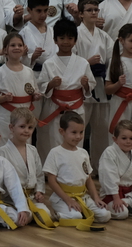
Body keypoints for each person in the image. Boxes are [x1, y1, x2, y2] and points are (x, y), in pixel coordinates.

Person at [37, 18, 93, 162]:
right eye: (61, 38)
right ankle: (54, 171)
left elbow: (90, 88)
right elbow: (42, 87)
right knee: (54, 141)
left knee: (76, 140)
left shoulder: (83, 63)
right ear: (55, 40)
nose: (66, 42)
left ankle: (76, 170)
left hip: (76, 107)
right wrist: (51, 84)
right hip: (55, 106)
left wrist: (86, 85)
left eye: (70, 38)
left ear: (75, 40)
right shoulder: (49, 63)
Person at [43, 112, 108, 230]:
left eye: (81, 132)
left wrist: (96, 198)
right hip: (63, 197)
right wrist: (68, 200)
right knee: (75, 217)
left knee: (105, 215)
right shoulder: (55, 153)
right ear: (62, 132)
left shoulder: (83, 153)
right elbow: (51, 181)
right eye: (74, 132)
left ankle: (78, 211)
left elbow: (88, 179)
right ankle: (58, 215)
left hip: (83, 196)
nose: (78, 136)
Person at [0, 107, 56, 229]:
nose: (26, 131)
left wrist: (39, 191)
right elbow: (0, 180)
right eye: (22, 126)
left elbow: (39, 175)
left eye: (30, 127)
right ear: (11, 127)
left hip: (31, 198)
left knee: (47, 216)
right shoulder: (2, 152)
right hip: (11, 199)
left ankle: (28, 214)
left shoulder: (32, 150)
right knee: (17, 219)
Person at [73, 0, 113, 168]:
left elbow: (112, 60)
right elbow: (71, 60)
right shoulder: (76, 34)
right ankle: (77, 165)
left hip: (101, 85)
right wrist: (87, 62)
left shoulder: (104, 36)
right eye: (89, 10)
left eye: (96, 10)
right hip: (82, 84)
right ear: (81, 14)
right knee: (79, 127)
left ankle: (99, 166)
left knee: (102, 128)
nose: (94, 13)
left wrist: (109, 79)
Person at [0, 32, 41, 143]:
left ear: (24, 48)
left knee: (24, 144)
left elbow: (33, 92)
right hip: (7, 116)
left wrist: (36, 96)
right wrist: (4, 98)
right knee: (5, 144)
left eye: (20, 45)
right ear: (5, 50)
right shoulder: (0, 72)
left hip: (25, 116)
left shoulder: (29, 71)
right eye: (13, 45)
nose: (17, 48)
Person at [19, 0, 57, 77]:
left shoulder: (53, 31)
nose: (43, 15)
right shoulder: (23, 33)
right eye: (39, 11)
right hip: (32, 75)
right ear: (29, 10)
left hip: (53, 74)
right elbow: (18, 60)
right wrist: (32, 57)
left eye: (45, 10)